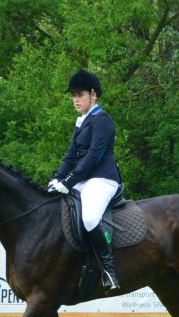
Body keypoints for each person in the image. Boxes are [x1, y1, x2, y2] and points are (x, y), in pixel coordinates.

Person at [48, 69, 123, 293]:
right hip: (83, 179)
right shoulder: (81, 122)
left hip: (102, 179)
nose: (75, 99)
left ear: (94, 95)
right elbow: (71, 156)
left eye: (79, 94)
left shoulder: (103, 120)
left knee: (89, 218)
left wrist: (68, 182)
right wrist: (56, 178)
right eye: (73, 96)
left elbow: (93, 157)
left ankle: (110, 270)